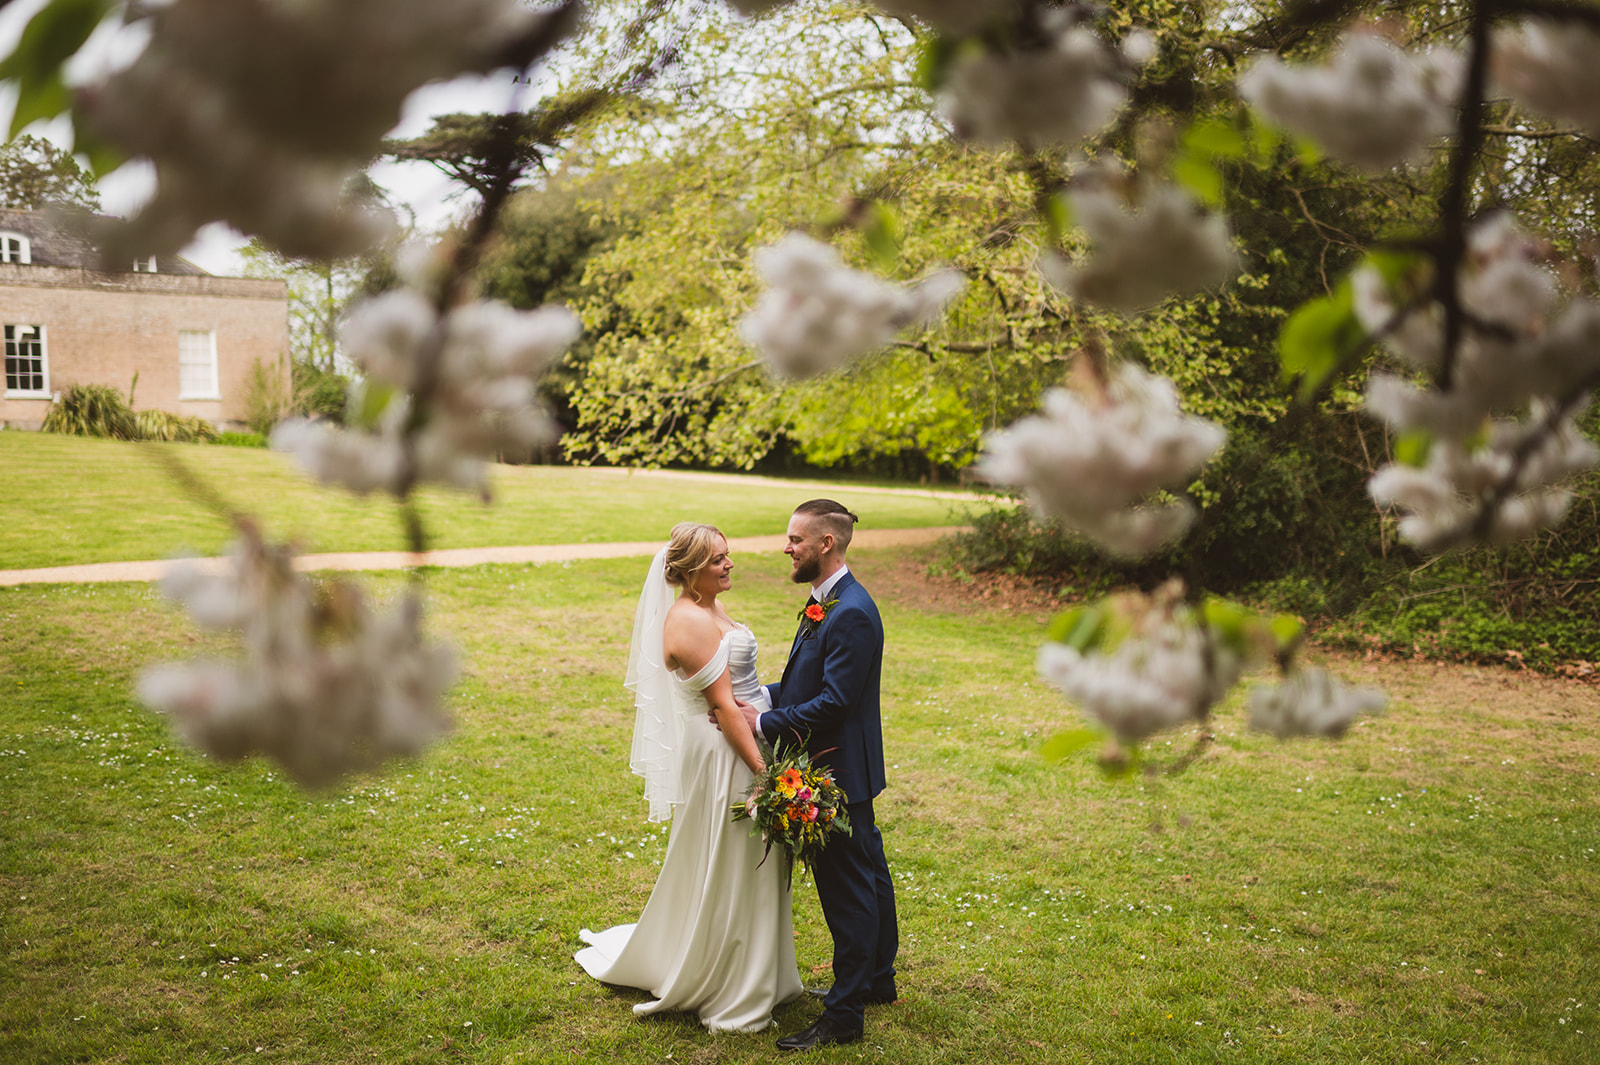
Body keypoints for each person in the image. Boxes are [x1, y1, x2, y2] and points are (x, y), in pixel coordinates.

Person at [575, 522, 803, 1032]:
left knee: (751, 859)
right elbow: (722, 708)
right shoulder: (689, 621)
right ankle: (729, 982)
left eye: (727, 555)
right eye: (718, 559)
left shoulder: (709, 607)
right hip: (727, 752)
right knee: (732, 859)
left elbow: (740, 693)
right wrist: (767, 775)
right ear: (690, 569)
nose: (729, 564)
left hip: (744, 739)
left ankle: (760, 969)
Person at [739, 499, 898, 1052]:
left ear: (825, 543)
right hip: (849, 765)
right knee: (870, 875)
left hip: (837, 771)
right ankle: (877, 981)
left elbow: (835, 702)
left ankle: (845, 1014)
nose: (786, 547)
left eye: (795, 539)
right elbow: (810, 684)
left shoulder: (849, 611)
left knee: (848, 892)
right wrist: (762, 699)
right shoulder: (826, 602)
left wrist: (763, 723)